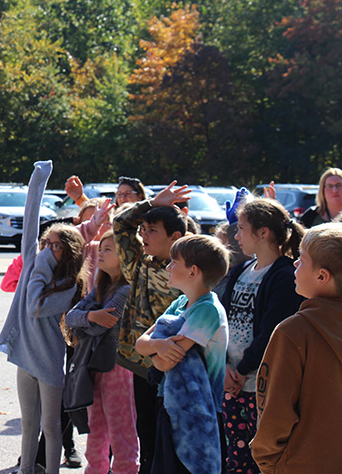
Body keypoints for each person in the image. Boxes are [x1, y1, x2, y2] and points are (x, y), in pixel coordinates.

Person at [0, 161, 87, 474]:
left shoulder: (68, 285)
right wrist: (39, 178)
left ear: (69, 252)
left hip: (49, 361)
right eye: (47, 243)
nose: (48, 249)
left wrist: (41, 265)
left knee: (50, 426)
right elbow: (31, 218)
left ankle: (51, 471)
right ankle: (26, 470)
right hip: (25, 359)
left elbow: (35, 305)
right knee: (29, 426)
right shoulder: (34, 262)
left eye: (57, 246)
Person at [220, 198, 304, 473]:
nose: (237, 235)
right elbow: (223, 322)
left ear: (263, 232)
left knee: (262, 461)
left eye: (242, 227)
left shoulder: (284, 275)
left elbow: (272, 332)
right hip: (232, 383)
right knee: (236, 458)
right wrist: (225, 367)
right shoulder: (240, 271)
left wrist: (241, 369)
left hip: (259, 388)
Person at [250, 223, 342, 473]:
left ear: (322, 276)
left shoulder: (293, 332)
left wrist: (270, 464)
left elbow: (274, 413)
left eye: (301, 259)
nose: (294, 264)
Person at [113, 181, 190, 474]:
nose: (143, 235)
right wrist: (152, 204)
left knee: (172, 439)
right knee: (146, 432)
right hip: (142, 365)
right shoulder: (140, 264)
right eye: (143, 229)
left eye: (151, 230)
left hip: (175, 367)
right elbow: (121, 223)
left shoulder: (189, 269)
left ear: (176, 237)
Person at [136, 234, 230, 474]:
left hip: (199, 412)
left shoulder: (207, 309)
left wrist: (158, 347)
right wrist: (160, 346)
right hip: (170, 403)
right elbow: (141, 343)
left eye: (174, 262)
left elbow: (164, 364)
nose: (168, 266)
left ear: (193, 272)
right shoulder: (179, 303)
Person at [65, 229, 139, 474]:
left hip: (118, 369)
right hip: (93, 367)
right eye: (101, 249)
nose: (101, 254)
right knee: (95, 433)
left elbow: (98, 327)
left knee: (122, 433)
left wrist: (86, 319)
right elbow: (69, 318)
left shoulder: (126, 291)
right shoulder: (99, 288)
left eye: (109, 249)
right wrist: (90, 316)